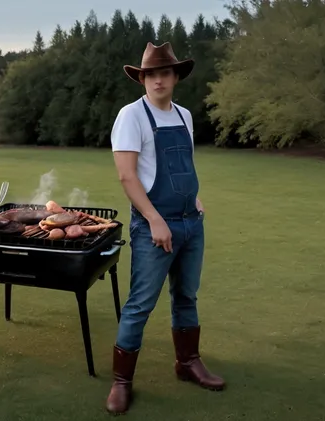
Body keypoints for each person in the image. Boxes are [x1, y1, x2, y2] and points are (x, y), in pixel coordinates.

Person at [106, 42, 226, 414]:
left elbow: (184, 166)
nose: (158, 80)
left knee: (186, 296)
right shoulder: (132, 116)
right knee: (140, 304)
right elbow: (127, 177)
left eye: (165, 73)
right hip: (154, 228)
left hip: (191, 223)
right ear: (142, 79)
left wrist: (197, 198)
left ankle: (187, 362)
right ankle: (121, 382)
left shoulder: (185, 116)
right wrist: (155, 219)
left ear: (175, 77)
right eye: (151, 74)